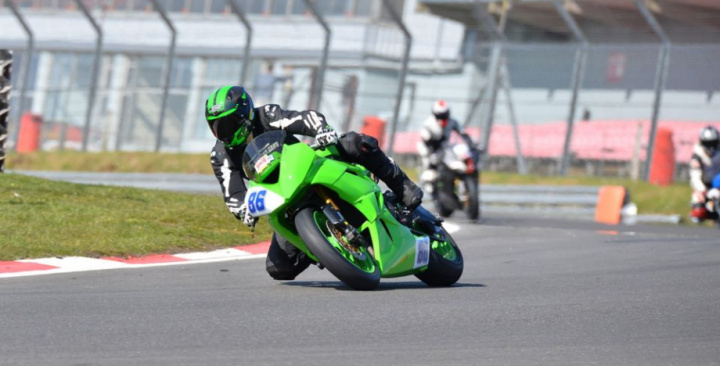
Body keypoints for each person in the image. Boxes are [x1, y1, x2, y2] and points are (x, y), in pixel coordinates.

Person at [205, 86, 423, 281]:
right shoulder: (220, 154)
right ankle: (320, 244)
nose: (223, 132)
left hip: (306, 166)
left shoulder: (266, 115)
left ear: (245, 115)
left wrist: (321, 130)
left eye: (227, 123)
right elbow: (232, 194)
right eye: (216, 127)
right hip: (282, 197)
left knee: (356, 143)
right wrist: (244, 209)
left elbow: (304, 118)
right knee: (278, 268)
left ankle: (402, 187)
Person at [417, 100, 475, 190]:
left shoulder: (452, 122)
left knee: (456, 152)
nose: (443, 118)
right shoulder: (428, 124)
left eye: (445, 114)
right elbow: (426, 140)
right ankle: (429, 179)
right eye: (440, 115)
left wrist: (471, 144)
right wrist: (434, 146)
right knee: (426, 154)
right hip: (432, 148)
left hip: (445, 147)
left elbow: (463, 133)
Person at [689, 125, 720, 223]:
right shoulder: (697, 155)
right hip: (704, 186)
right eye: (708, 143)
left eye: (713, 143)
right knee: (697, 214)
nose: (711, 147)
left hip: (718, 183)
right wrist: (704, 190)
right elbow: (695, 176)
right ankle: (705, 210)